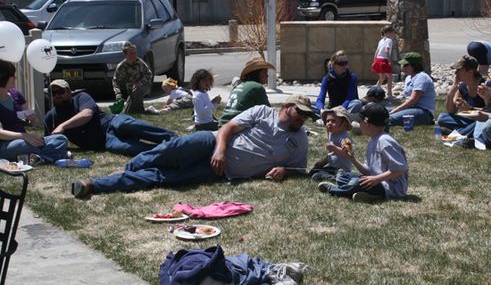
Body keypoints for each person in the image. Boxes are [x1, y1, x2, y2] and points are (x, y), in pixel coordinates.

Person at [70, 94, 316, 198]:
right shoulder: (263, 112)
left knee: (164, 177)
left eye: (305, 116)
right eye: (299, 113)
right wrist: (220, 150)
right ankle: (130, 167)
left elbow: (301, 170)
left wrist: (286, 171)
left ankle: (94, 185)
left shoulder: (299, 140)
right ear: (286, 107)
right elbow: (229, 127)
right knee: (166, 151)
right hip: (211, 142)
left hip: (221, 171)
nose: (301, 118)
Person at [44, 79, 176, 156]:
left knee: (129, 125)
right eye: (53, 93)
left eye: (60, 91)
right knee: (128, 148)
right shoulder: (51, 117)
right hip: (104, 141)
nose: (57, 95)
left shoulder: (80, 97)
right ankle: (166, 151)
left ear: (68, 91)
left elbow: (87, 114)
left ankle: (174, 139)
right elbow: (46, 142)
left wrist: (62, 126)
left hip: (112, 122)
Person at [318, 103, 409, 203]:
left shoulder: (385, 141)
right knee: (343, 176)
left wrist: (376, 179)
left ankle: (334, 190)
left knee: (356, 183)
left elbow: (400, 168)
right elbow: (367, 172)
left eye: (359, 122)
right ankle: (369, 195)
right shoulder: (372, 141)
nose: (358, 124)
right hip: (375, 182)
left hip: (391, 188)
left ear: (367, 123)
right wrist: (352, 158)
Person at [0, 60, 69, 163]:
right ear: (4, 77)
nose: (15, 78)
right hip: (7, 144)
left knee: (61, 138)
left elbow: (33, 123)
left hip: (26, 139)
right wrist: (23, 136)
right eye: (13, 76)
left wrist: (33, 119)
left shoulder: (16, 95)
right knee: (20, 145)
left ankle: (39, 158)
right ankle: (54, 155)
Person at [437, 55, 491, 136]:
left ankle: (457, 134)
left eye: (459, 70)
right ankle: (465, 131)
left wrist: (470, 109)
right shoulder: (462, 86)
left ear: (470, 72)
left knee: (481, 124)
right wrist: (451, 92)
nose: (456, 73)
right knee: (442, 118)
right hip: (471, 120)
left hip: (485, 121)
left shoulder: (486, 86)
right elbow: (451, 111)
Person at [219, 57, 273, 127]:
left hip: (222, 125)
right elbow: (268, 113)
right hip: (235, 129)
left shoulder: (238, 85)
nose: (267, 76)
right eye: (265, 72)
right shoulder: (257, 87)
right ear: (257, 73)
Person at [389, 52, 436, 127]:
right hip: (411, 108)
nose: (403, 67)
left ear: (415, 66)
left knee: (389, 118)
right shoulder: (408, 77)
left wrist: (395, 111)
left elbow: (413, 100)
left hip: (424, 112)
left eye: (406, 65)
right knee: (381, 112)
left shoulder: (422, 77)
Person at [309, 106, 353, 181]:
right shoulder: (332, 134)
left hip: (342, 170)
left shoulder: (344, 138)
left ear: (344, 124)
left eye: (333, 121)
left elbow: (349, 153)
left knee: (316, 176)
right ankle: (333, 177)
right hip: (332, 167)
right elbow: (332, 155)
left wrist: (335, 149)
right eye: (328, 121)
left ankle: (336, 179)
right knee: (312, 172)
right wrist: (322, 163)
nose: (329, 123)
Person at [315, 50, 361, 115]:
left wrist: (339, 109)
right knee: (312, 105)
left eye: (346, 63)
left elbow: (350, 98)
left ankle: (334, 116)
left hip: (346, 107)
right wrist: (321, 109)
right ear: (333, 64)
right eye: (341, 64)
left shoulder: (352, 77)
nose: (345, 66)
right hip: (332, 108)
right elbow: (320, 98)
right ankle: (332, 116)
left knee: (357, 103)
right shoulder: (326, 79)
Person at [112, 42, 153, 114]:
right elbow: (115, 81)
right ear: (125, 54)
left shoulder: (140, 62)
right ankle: (145, 110)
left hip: (143, 86)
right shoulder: (121, 66)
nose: (134, 55)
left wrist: (139, 83)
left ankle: (140, 111)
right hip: (131, 90)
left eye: (135, 52)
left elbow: (149, 74)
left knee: (137, 91)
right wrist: (118, 93)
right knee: (128, 111)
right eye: (131, 53)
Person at [371, 26, 396, 99]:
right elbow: (387, 51)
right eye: (393, 32)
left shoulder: (381, 41)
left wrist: (374, 61)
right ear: (388, 33)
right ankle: (389, 93)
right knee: (390, 77)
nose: (394, 34)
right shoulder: (389, 41)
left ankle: (374, 91)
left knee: (382, 77)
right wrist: (389, 61)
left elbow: (376, 52)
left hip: (378, 59)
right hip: (384, 60)